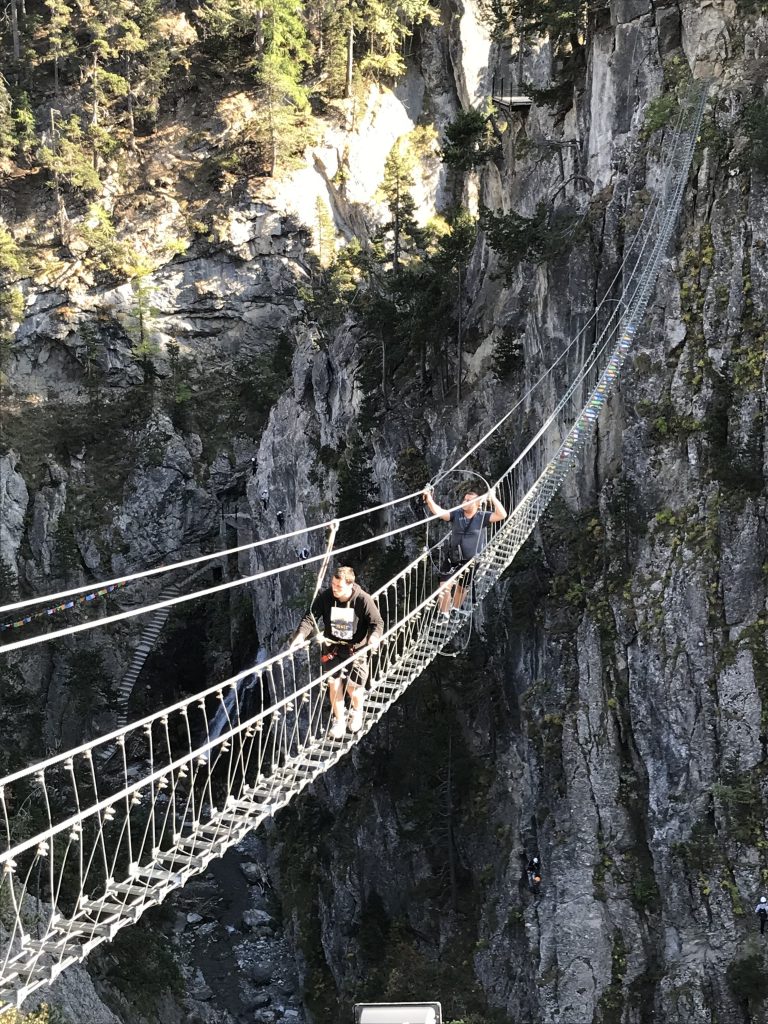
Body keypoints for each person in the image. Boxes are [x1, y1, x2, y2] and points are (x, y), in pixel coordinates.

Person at [290, 566, 384, 739]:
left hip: (356, 650)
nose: (334, 589)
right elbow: (310, 617)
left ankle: (357, 711)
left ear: (350, 585)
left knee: (353, 688)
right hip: (332, 648)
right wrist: (301, 635)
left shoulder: (363, 600)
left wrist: (374, 637)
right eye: (333, 584)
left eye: (338, 587)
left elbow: (376, 622)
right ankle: (339, 720)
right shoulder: (326, 597)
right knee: (334, 685)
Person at [422, 487, 507, 617]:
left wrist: (493, 498)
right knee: (444, 587)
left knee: (462, 588)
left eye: (469, 500)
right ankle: (443, 613)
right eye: (464, 499)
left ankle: (455, 609)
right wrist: (429, 500)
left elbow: (502, 515)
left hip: (471, 561)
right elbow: (440, 512)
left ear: (477, 504)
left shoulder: (482, 517)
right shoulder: (457, 514)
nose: (464, 502)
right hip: (453, 558)